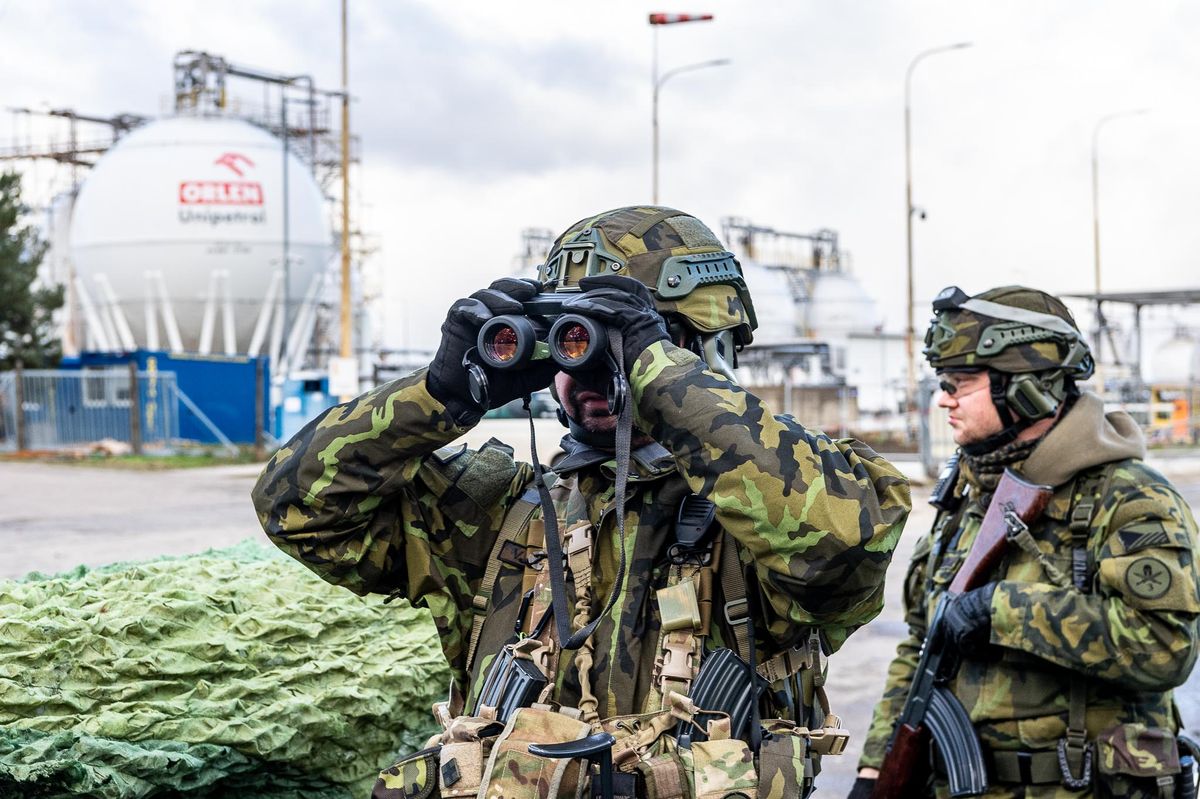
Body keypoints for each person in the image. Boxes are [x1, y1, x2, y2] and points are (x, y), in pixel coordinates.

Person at [253, 205, 911, 799]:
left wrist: (658, 371)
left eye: (609, 345)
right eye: (570, 345)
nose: (588, 373)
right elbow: (298, 508)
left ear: (700, 350)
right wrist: (438, 393)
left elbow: (843, 549)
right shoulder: (499, 514)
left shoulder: (770, 512)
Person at [852, 286, 1200, 799]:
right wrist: (875, 769)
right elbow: (922, 646)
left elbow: (1165, 647)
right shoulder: (972, 494)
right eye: (942, 382)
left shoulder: (1129, 497)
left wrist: (1004, 611)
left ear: (1027, 389)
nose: (943, 398)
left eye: (960, 382)